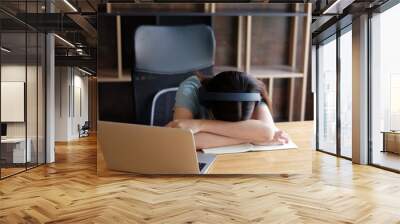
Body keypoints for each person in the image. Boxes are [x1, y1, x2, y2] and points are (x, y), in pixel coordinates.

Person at [166, 71, 289, 149]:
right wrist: (252, 136)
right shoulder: (191, 88)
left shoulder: (251, 92)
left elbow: (266, 132)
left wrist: (201, 125)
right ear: (209, 105)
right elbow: (182, 141)